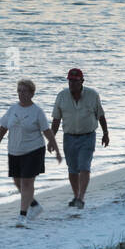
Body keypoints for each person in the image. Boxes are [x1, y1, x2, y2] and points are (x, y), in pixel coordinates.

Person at [0, 79, 62, 227]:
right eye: (19, 90)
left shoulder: (37, 111)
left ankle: (22, 215)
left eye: (24, 91)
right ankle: (35, 206)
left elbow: (47, 131)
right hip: (14, 151)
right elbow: (2, 128)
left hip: (33, 150)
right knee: (17, 182)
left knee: (27, 182)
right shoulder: (12, 109)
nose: (21, 94)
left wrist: (56, 149)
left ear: (32, 93)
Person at [49, 68, 110, 210]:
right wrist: (52, 139)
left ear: (82, 81)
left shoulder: (92, 95)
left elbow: (100, 115)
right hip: (69, 137)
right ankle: (76, 196)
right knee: (72, 169)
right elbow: (56, 119)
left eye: (75, 81)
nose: (72, 83)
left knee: (84, 166)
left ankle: (81, 198)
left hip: (88, 136)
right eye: (70, 80)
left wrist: (105, 133)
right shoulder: (62, 96)